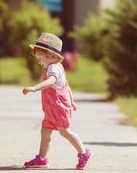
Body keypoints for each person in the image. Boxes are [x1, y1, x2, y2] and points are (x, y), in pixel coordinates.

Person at [22, 33, 92, 170]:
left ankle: (84, 153)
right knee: (45, 132)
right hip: (51, 110)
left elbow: (50, 82)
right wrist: (72, 101)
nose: (39, 61)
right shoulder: (54, 67)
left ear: (52, 56)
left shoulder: (54, 68)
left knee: (65, 132)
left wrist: (34, 88)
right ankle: (41, 159)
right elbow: (67, 86)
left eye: (40, 57)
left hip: (58, 109)